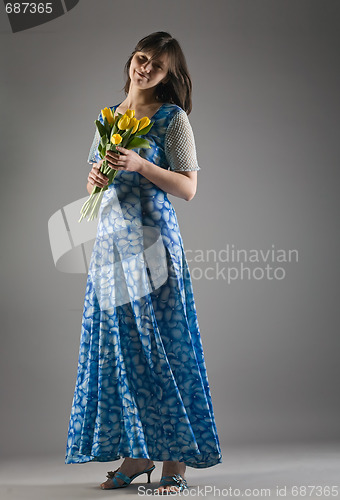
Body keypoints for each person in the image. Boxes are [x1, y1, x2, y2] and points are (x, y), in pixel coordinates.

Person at [65, 31, 222, 494]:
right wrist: (97, 178)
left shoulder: (173, 119)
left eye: (156, 65)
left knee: (165, 352)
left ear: (168, 74)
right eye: (141, 58)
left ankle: (174, 466)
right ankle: (136, 458)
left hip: (155, 249)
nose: (145, 69)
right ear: (131, 60)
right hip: (112, 252)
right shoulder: (107, 118)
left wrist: (139, 165)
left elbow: (189, 189)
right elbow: (96, 188)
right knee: (122, 355)